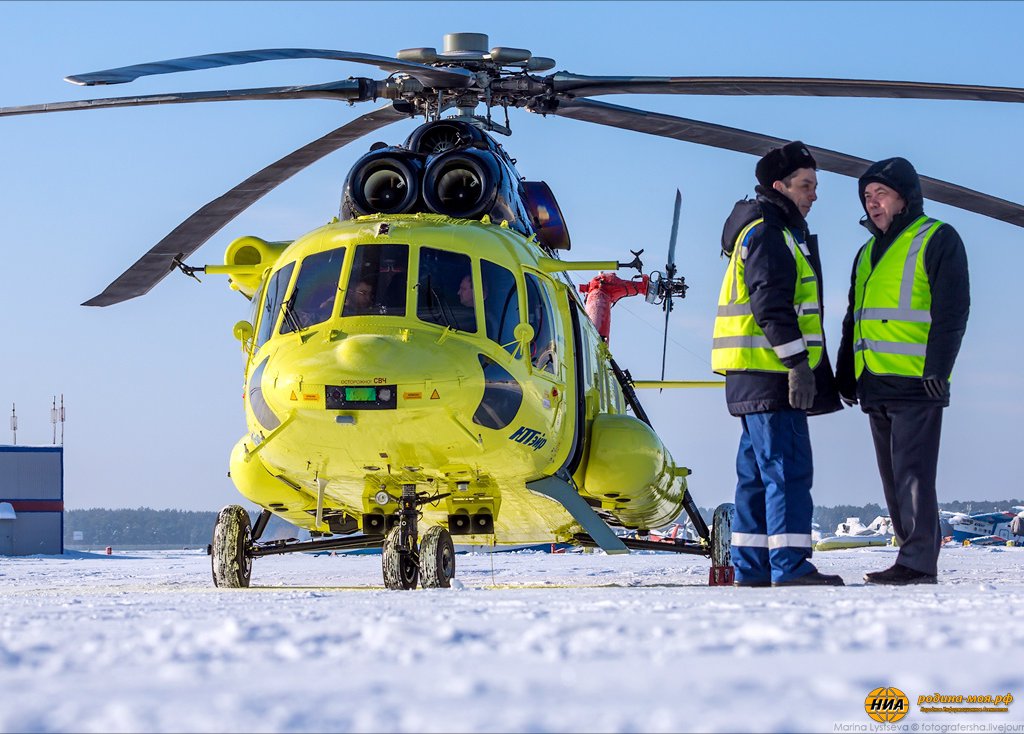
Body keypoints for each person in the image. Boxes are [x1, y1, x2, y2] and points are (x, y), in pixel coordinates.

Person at [712, 140, 843, 587]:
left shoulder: (756, 229)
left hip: (747, 377)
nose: (814, 195)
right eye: (806, 185)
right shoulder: (770, 232)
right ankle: (791, 565)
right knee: (787, 471)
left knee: (754, 476)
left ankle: (753, 567)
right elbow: (771, 303)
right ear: (779, 186)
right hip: (772, 375)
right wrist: (798, 364)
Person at [836, 157, 970, 585]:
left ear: (906, 198)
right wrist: (844, 372)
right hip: (874, 378)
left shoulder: (937, 238)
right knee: (894, 478)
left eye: (882, 195)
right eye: (867, 196)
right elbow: (853, 317)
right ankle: (908, 555)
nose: (872, 204)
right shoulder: (865, 252)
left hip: (917, 380)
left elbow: (952, 310)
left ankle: (917, 562)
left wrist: (939, 368)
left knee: (913, 474)